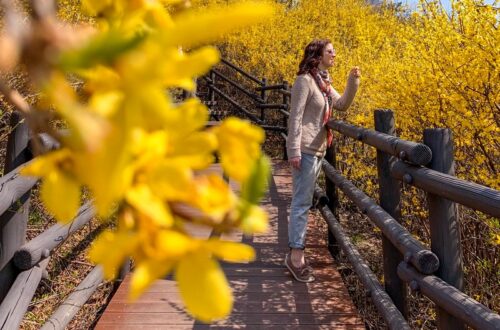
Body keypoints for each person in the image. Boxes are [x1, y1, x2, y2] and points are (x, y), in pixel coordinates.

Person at [285, 39, 361, 282]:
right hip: (305, 150)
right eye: (330, 51)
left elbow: (341, 105)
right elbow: (295, 118)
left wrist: (353, 82)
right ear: (317, 55)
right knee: (301, 203)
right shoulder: (304, 81)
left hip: (318, 151)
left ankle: (296, 252)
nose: (334, 55)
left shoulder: (324, 84)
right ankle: (296, 257)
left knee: (304, 201)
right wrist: (293, 150)